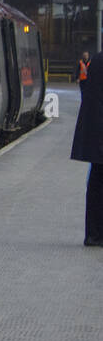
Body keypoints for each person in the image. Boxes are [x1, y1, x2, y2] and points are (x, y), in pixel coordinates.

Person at [70, 53, 103, 246]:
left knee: (97, 182)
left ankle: (94, 234)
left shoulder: (97, 61)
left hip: (96, 132)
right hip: (99, 132)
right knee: (98, 183)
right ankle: (95, 235)